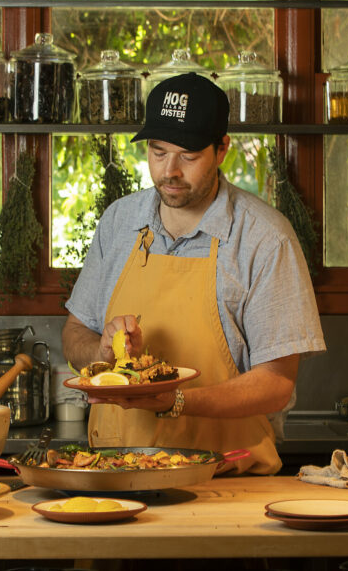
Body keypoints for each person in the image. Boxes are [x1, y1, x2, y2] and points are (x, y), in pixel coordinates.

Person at [62, 71, 325, 475]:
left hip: (227, 484)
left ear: (222, 150)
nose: (170, 171)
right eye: (158, 151)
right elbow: (75, 332)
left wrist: (177, 401)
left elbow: (276, 383)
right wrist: (99, 352)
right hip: (115, 476)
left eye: (188, 156)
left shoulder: (265, 238)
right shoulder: (119, 222)